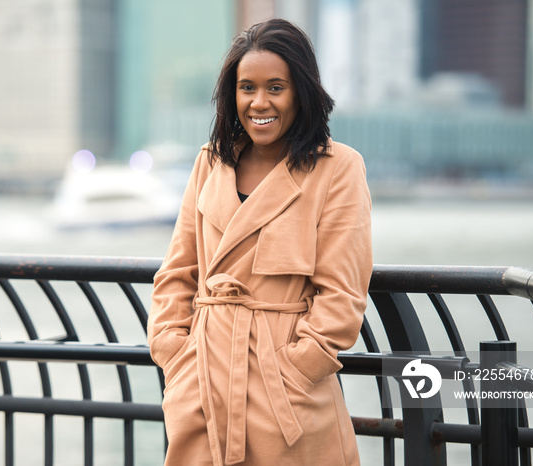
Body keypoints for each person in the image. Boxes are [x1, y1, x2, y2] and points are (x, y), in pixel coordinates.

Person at [147, 18, 372, 466]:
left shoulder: (337, 168)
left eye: (276, 87)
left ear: (301, 92)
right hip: (204, 384)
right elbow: (177, 273)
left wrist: (296, 369)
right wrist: (176, 354)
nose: (259, 102)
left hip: (285, 394)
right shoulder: (211, 163)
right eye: (246, 87)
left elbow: (343, 294)